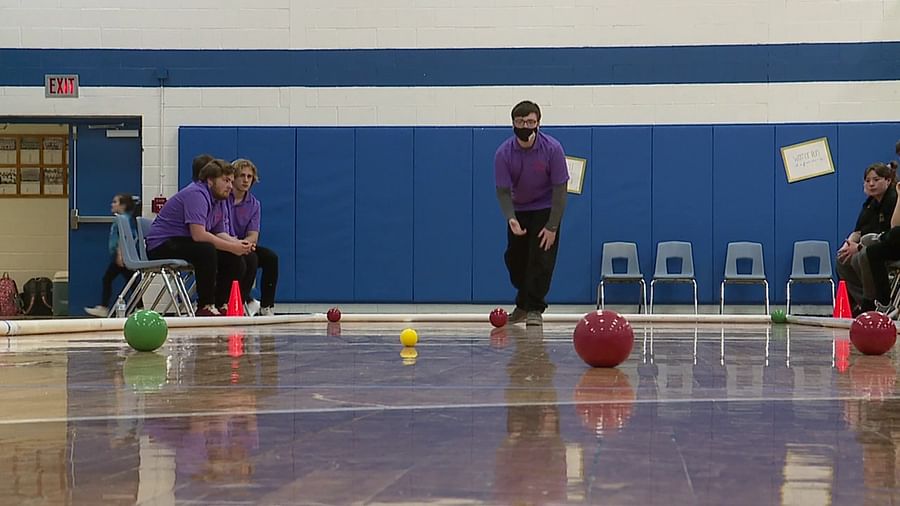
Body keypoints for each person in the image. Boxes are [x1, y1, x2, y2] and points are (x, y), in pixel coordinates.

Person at [144, 159, 253, 316]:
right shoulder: (196, 194)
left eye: (231, 181)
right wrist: (232, 247)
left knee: (234, 257)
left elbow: (220, 233)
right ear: (210, 180)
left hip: (184, 242)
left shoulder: (219, 199)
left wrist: (238, 245)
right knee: (206, 250)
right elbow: (199, 235)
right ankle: (205, 306)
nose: (230, 186)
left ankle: (222, 304)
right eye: (225, 180)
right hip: (162, 244)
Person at [494, 100, 569, 326]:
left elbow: (560, 189)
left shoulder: (553, 149)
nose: (525, 126)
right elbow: (503, 191)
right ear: (513, 124)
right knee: (515, 260)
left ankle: (534, 308)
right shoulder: (504, 153)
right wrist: (510, 218)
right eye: (520, 122)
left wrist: (552, 226)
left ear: (538, 123)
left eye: (530, 122)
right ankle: (524, 305)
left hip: (546, 209)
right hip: (519, 210)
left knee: (541, 260)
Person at [836, 162, 897, 316]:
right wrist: (847, 244)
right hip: (871, 243)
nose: (871, 184)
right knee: (842, 259)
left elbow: (891, 233)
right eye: (867, 180)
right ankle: (858, 302)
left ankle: (871, 302)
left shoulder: (893, 199)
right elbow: (858, 230)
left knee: (864, 254)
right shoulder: (870, 203)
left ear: (888, 180)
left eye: (876, 180)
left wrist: (858, 247)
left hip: (888, 245)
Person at [229, 159, 279, 316]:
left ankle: (266, 306)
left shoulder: (254, 204)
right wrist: (235, 244)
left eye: (249, 176)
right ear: (233, 178)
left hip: (244, 244)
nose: (245, 180)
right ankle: (243, 301)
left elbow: (253, 235)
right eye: (242, 175)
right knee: (251, 258)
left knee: (271, 258)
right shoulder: (223, 198)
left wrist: (243, 244)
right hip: (225, 243)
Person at [84, 193, 141, 317]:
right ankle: (139, 307)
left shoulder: (122, 219)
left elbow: (124, 237)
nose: (112, 204)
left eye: (115, 202)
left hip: (121, 256)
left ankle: (104, 307)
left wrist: (120, 254)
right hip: (123, 256)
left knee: (108, 279)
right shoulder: (125, 218)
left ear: (123, 205)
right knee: (130, 280)